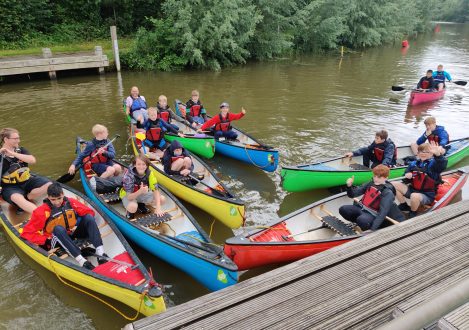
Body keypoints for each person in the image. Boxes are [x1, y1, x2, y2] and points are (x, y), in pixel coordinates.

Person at [21, 183, 107, 270]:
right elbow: (26, 233)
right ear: (48, 197)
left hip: (71, 233)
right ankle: (82, 261)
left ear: (63, 194)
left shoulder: (70, 202)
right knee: (58, 229)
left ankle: (100, 253)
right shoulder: (41, 212)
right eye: (53, 199)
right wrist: (45, 240)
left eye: (59, 198)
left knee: (88, 218)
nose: (57, 202)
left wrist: (76, 224)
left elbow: (89, 212)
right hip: (55, 240)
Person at [339, 165, 405, 231]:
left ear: (386, 178)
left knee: (362, 220)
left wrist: (372, 229)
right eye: (375, 176)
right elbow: (353, 195)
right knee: (343, 209)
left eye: (379, 177)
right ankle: (358, 224)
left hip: (373, 215)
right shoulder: (371, 183)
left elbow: (382, 213)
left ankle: (367, 227)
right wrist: (349, 186)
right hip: (362, 208)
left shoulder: (387, 192)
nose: (375, 179)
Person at [0, 128, 51, 214]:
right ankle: (41, 215)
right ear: (6, 139)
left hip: (27, 181)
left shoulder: (21, 150)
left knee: (49, 185)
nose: (18, 141)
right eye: (15, 139)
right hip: (10, 187)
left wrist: (13, 153)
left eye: (18, 138)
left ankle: (28, 197)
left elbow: (32, 160)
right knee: (17, 198)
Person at [392, 142, 447, 218]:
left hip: (427, 194)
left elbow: (442, 165)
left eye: (426, 152)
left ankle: (413, 211)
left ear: (431, 154)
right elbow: (405, 180)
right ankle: (404, 205)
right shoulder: (413, 164)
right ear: (417, 153)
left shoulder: (433, 164)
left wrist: (438, 155)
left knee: (414, 196)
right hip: (413, 190)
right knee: (394, 184)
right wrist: (407, 175)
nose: (423, 153)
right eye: (421, 151)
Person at [119, 155, 165, 219]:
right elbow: (129, 197)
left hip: (142, 193)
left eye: (144, 164)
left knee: (162, 199)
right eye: (139, 164)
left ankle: (141, 204)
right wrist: (140, 191)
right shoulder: (129, 176)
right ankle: (129, 213)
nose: (141, 167)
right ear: (135, 165)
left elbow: (155, 190)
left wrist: (158, 208)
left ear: (147, 165)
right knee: (133, 207)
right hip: (128, 195)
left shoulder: (150, 173)